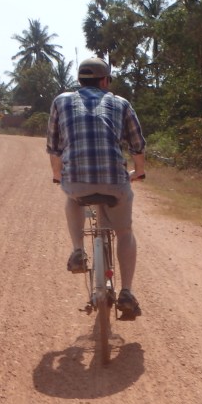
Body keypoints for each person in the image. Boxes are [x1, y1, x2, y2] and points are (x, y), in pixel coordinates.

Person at [47, 57, 147, 319]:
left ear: (80, 81)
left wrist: (58, 176)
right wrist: (139, 171)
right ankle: (126, 291)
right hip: (115, 180)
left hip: (77, 180)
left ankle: (78, 250)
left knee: (71, 196)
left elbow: (54, 147)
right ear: (104, 81)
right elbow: (138, 145)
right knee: (124, 231)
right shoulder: (120, 103)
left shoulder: (61, 101)